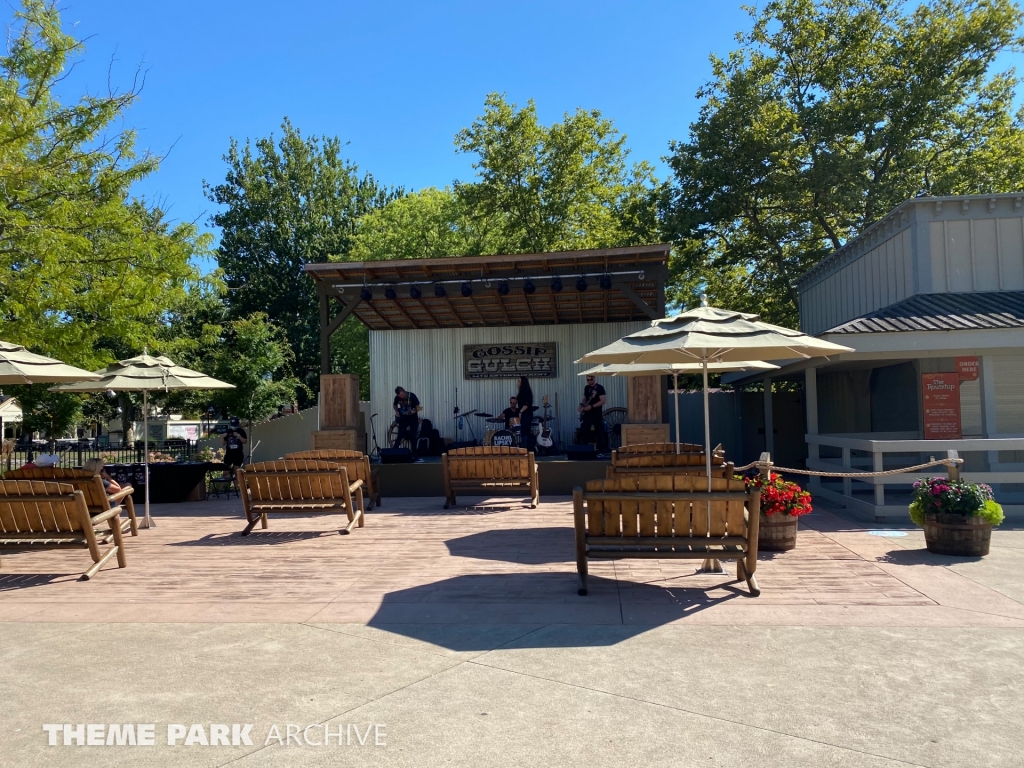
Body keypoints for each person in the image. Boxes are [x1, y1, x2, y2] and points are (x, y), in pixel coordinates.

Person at [578, 374, 609, 453]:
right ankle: (584, 449)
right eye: (587, 380)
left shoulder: (600, 388)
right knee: (585, 430)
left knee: (599, 431)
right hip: (587, 413)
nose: (589, 381)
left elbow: (603, 401)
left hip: (596, 413)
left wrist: (591, 407)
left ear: (594, 378)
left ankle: (601, 450)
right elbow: (585, 398)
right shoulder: (586, 387)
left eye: (590, 379)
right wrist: (581, 405)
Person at [516, 376, 535, 451]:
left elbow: (526, 404)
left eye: (519, 381)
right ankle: (526, 449)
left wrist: (520, 412)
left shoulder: (526, 391)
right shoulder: (522, 391)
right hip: (525, 414)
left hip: (526, 414)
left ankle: (525, 449)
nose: (518, 383)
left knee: (525, 432)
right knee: (525, 431)